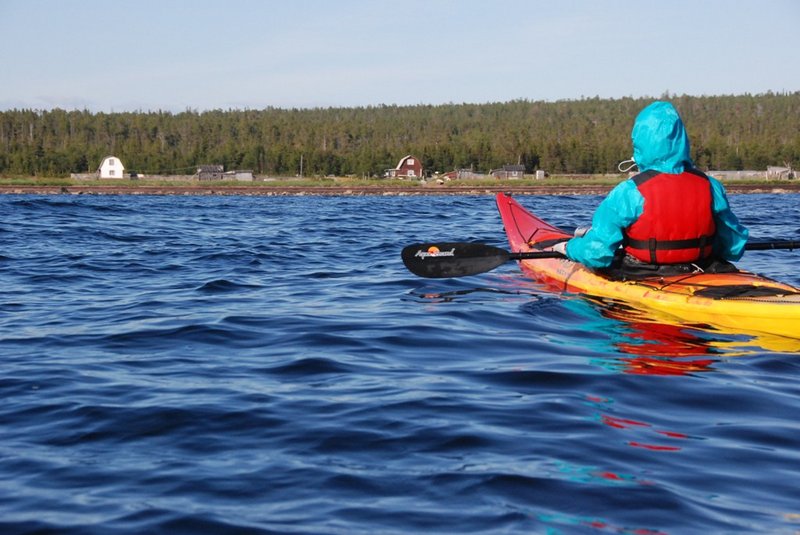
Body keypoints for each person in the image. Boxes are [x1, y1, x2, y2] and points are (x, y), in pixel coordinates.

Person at [552, 101, 749, 277]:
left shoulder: (629, 192)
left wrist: (569, 248)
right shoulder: (711, 186)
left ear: (640, 143)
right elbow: (733, 247)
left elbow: (598, 254)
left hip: (641, 273)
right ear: (682, 140)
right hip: (701, 269)